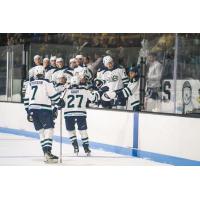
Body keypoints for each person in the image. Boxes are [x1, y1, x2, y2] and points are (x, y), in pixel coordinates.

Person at [23, 65, 60, 163]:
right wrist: (60, 102)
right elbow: (54, 96)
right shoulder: (46, 82)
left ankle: (45, 152)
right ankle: (48, 152)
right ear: (43, 73)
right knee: (49, 129)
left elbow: (26, 100)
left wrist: (28, 112)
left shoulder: (30, 84)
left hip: (32, 110)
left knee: (41, 131)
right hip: (44, 109)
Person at [59, 76, 97, 156]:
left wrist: (58, 107)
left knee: (71, 131)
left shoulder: (66, 91)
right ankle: (86, 148)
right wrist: (95, 92)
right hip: (81, 114)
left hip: (68, 114)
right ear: (78, 82)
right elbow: (93, 98)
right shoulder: (84, 91)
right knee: (83, 132)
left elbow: (59, 102)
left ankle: (75, 146)